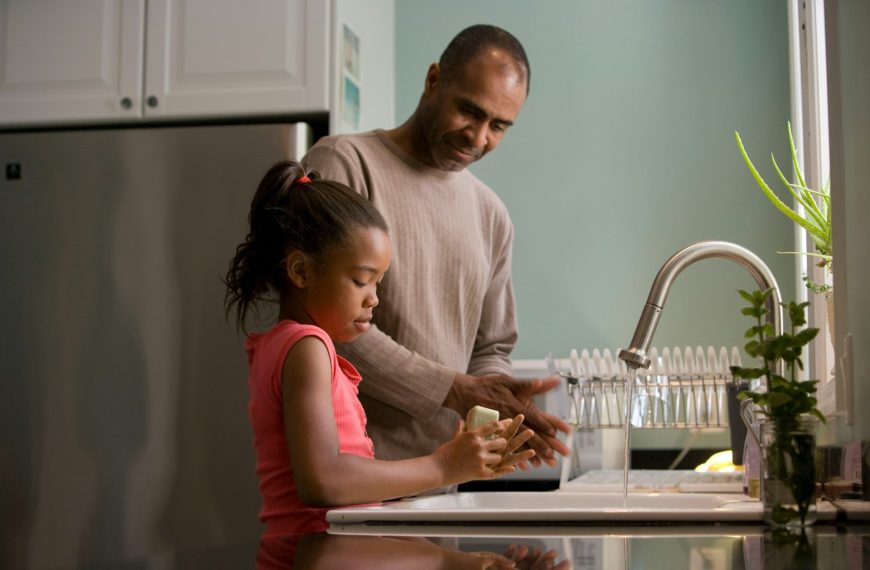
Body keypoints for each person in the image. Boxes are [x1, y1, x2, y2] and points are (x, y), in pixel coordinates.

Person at [302, 24, 571, 466]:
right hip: (350, 476)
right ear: (433, 81)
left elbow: (492, 348)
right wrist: (454, 389)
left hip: (445, 480)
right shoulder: (344, 164)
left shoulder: (491, 214)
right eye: (469, 110)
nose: (478, 137)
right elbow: (324, 322)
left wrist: (496, 405)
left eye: (499, 126)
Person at [224, 160, 534, 534]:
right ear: (301, 271)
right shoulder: (308, 346)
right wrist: (443, 466)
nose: (374, 300)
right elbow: (324, 480)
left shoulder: (281, 344)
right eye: (361, 281)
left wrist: (454, 461)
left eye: (378, 283)